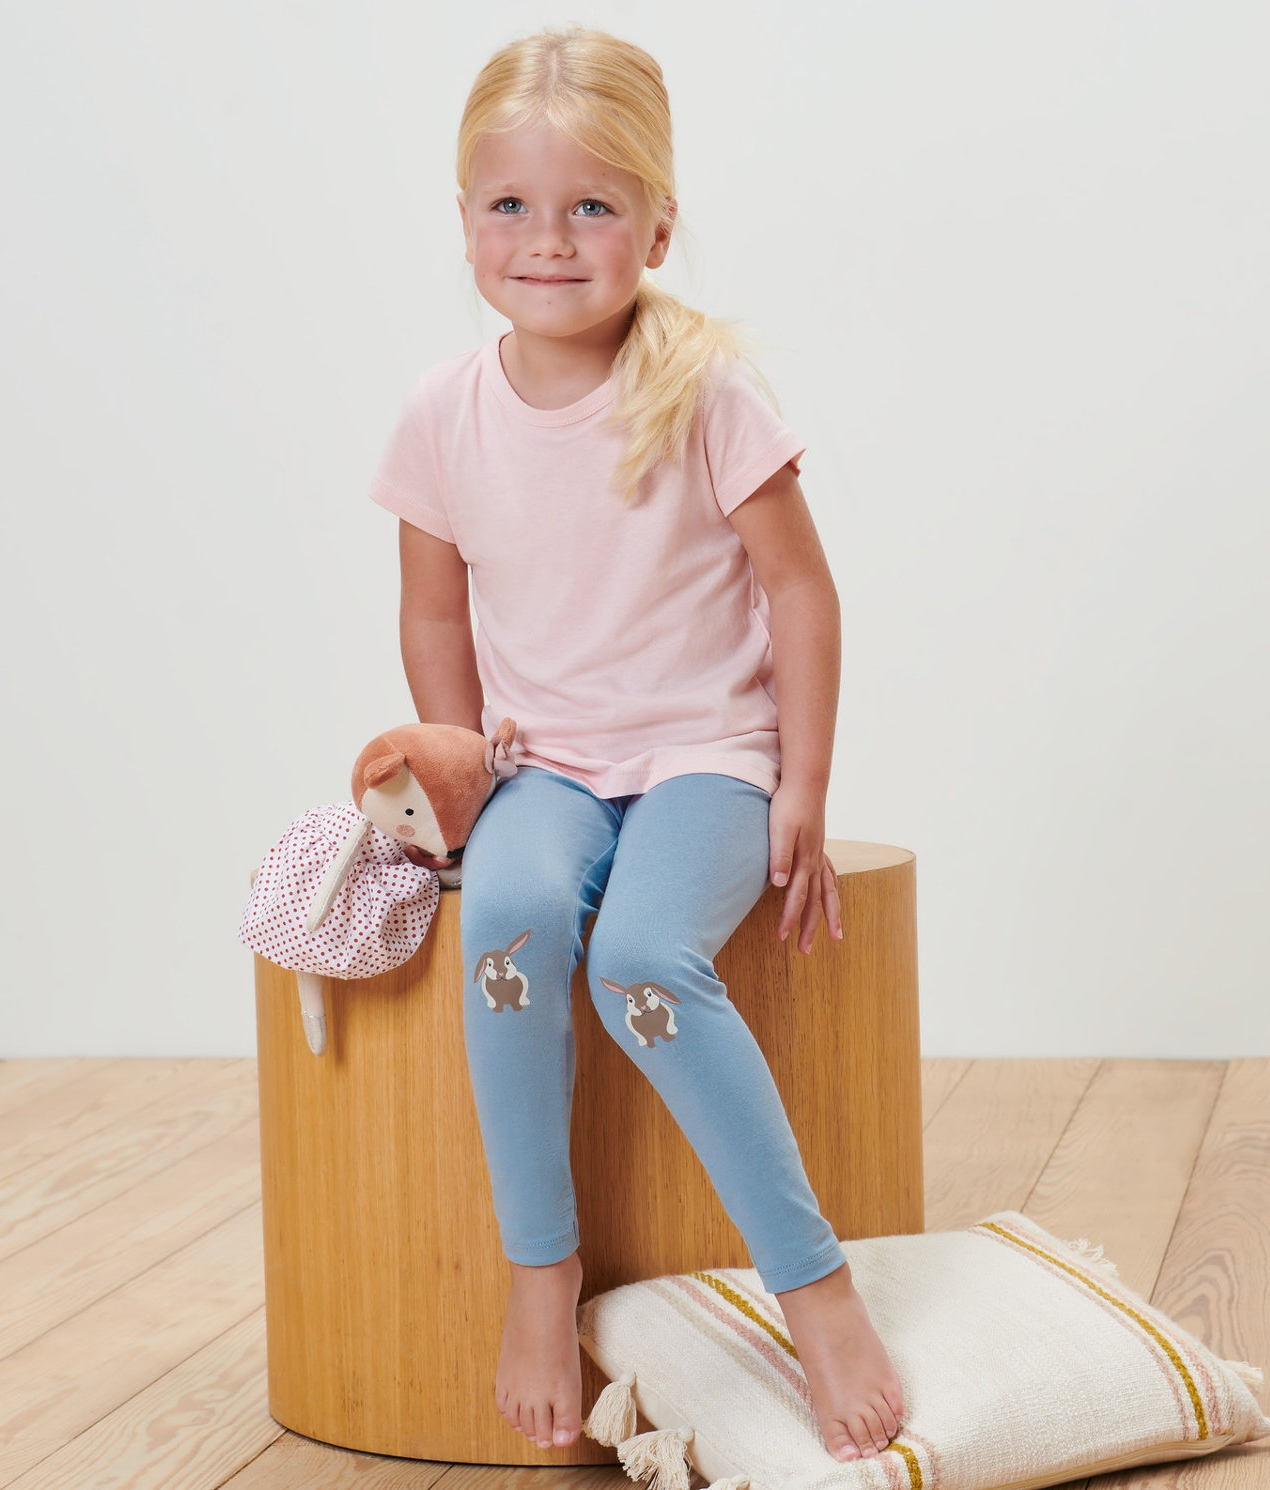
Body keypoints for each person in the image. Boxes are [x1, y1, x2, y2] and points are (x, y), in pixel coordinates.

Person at [366, 24, 906, 1466]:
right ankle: (540, 1271)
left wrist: (801, 780)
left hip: (703, 755)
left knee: (642, 963)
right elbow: (435, 605)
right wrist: (463, 765)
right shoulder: (443, 411)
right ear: (464, 218)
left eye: (591, 207)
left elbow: (800, 587)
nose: (548, 241)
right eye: (511, 208)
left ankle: (814, 1280)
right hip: (545, 763)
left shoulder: (702, 389)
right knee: (519, 919)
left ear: (657, 224)